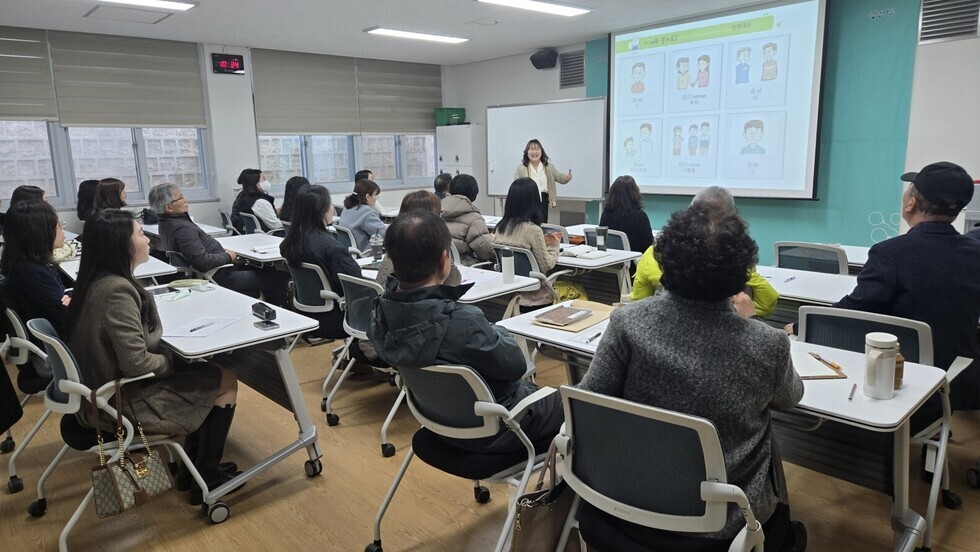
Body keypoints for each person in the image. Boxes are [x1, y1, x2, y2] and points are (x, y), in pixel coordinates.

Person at [577, 206, 805, 552]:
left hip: (627, 496)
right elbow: (790, 397)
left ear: (665, 259)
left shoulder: (628, 323)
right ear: (741, 273)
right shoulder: (766, 343)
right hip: (724, 522)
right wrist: (752, 320)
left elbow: (588, 402)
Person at [66, 209, 241, 505]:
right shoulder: (116, 291)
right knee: (224, 378)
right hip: (122, 402)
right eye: (139, 233)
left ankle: (192, 471)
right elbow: (137, 363)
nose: (147, 238)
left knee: (204, 370)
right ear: (120, 245)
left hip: (106, 393)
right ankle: (205, 477)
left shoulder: (98, 281)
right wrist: (172, 363)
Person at [786, 162, 980, 413]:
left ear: (911, 203)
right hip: (956, 379)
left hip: (897, 385)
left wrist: (801, 325)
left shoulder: (891, 253)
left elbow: (855, 309)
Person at [368, 209, 563, 454]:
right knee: (576, 406)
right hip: (501, 430)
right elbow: (516, 365)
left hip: (438, 425)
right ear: (444, 260)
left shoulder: (381, 313)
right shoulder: (462, 322)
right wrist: (493, 330)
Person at [632, 186, 779, 319]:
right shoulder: (735, 258)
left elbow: (639, 298)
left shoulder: (654, 253)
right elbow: (768, 299)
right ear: (732, 221)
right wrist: (750, 317)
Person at [150, 183, 289, 306]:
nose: (186, 200)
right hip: (222, 276)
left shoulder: (166, 223)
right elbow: (202, 261)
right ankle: (281, 323)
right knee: (280, 277)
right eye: (180, 198)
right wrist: (228, 256)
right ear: (168, 207)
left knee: (266, 270)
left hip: (216, 271)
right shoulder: (183, 229)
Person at [280, 185, 363, 339]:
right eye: (330, 203)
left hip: (304, 312)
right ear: (320, 210)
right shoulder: (331, 247)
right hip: (337, 318)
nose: (332, 207)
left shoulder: (289, 243)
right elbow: (356, 283)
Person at [0, 201, 69, 338]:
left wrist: (73, 298)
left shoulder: (25, 264)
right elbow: (66, 315)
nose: (62, 229)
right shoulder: (32, 272)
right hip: (54, 340)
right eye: (58, 225)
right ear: (41, 233)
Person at [493, 178, 561, 309]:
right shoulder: (533, 230)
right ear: (535, 201)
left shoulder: (500, 228)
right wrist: (554, 246)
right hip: (534, 297)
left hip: (510, 294)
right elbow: (545, 265)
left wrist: (543, 242)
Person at [375, 191, 460, 286]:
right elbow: (454, 282)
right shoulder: (429, 252)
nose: (442, 213)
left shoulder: (395, 246)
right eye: (439, 212)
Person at [441, 174, 495, 267]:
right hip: (466, 266)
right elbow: (486, 252)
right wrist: (493, 239)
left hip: (443, 264)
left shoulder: (438, 210)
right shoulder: (474, 219)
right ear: (474, 193)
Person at [513, 139, 572, 223]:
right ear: (527, 152)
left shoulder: (548, 167)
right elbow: (516, 185)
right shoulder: (521, 168)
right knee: (528, 225)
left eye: (537, 149)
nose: (534, 152)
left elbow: (560, 178)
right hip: (527, 200)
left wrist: (567, 177)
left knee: (542, 225)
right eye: (531, 149)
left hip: (543, 200)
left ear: (541, 151)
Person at [599, 175, 653, 256]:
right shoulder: (640, 216)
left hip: (609, 262)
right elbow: (648, 247)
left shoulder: (605, 214)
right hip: (634, 263)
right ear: (635, 193)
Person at [338, 179, 386, 252]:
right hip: (366, 254)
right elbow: (384, 235)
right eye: (375, 195)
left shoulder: (347, 208)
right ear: (367, 196)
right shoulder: (368, 213)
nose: (376, 198)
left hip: (349, 253)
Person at [231, 169, 282, 233]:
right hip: (269, 235)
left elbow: (261, 214)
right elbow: (275, 225)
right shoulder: (260, 202)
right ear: (256, 184)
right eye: (263, 179)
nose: (266, 181)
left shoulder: (243, 195)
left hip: (246, 233)